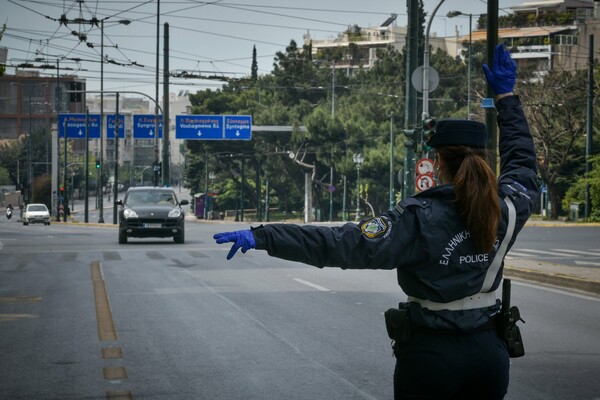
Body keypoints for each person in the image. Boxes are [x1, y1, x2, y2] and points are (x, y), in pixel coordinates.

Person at [213, 44, 539, 399]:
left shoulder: (417, 218)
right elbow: (523, 161)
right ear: (483, 160)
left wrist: (264, 236)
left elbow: (339, 245)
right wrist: (506, 96)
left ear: (437, 161)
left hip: (432, 359)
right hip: (489, 358)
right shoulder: (506, 209)